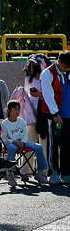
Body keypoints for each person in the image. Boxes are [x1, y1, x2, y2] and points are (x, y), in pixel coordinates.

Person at [0, 100, 51, 186]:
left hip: (22, 143)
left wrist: (23, 142)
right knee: (12, 148)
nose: (17, 111)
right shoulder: (5, 124)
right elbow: (4, 138)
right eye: (15, 109)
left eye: (18, 109)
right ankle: (10, 174)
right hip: (10, 143)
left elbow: (25, 134)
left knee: (38, 147)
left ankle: (40, 173)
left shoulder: (22, 121)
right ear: (9, 110)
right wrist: (14, 142)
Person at [39, 52, 70, 184]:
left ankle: (66, 172)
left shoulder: (68, 72)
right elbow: (48, 95)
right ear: (59, 61)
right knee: (53, 145)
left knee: (67, 145)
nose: (67, 68)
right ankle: (53, 172)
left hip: (68, 114)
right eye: (66, 66)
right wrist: (55, 114)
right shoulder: (47, 73)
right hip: (54, 115)